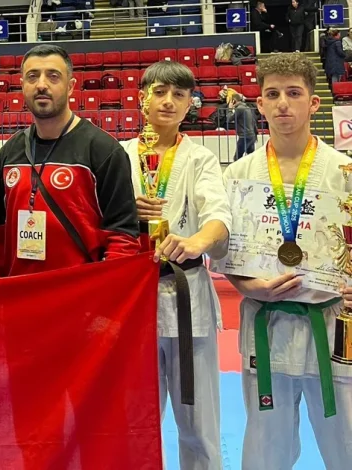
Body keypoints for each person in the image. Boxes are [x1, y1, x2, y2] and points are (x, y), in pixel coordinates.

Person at [217, 53, 352, 470]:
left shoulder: (344, 171)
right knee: (265, 449)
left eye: (294, 93)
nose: (283, 104)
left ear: (314, 103)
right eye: (272, 94)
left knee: (346, 442)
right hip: (266, 321)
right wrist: (245, 285)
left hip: (333, 320)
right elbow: (227, 250)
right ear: (259, 103)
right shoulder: (238, 175)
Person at [122, 61, 230, 470]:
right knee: (132, 420)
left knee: (199, 424)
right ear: (141, 99)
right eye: (160, 92)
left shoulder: (201, 159)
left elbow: (218, 213)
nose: (168, 101)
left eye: (179, 95)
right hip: (131, 299)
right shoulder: (117, 155)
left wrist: (196, 241)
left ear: (189, 105)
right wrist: (127, 212)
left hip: (187, 297)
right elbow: (97, 221)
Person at [0, 44, 140, 277]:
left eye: (53, 76)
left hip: (80, 293)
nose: (41, 84)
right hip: (20, 291)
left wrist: (104, 289)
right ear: (22, 85)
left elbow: (123, 237)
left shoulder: (104, 150)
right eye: (32, 76)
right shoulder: (10, 152)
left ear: (71, 86)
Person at [228, 93, 258, 161]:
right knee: (251, 157)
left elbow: (229, 119)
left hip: (244, 136)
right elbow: (253, 121)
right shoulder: (247, 107)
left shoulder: (239, 108)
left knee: (237, 158)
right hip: (251, 135)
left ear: (234, 100)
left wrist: (230, 109)